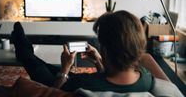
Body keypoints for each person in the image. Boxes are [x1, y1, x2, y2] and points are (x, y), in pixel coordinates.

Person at [11, 10, 169, 93]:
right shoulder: (146, 77)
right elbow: (110, 79)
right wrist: (98, 61)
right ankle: (26, 50)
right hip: (88, 77)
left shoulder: (84, 84)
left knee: (36, 66)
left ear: (105, 49)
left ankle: (23, 49)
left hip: (62, 83)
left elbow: (54, 93)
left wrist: (65, 69)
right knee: (47, 67)